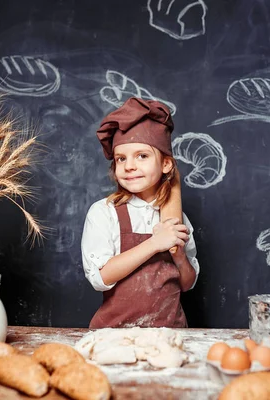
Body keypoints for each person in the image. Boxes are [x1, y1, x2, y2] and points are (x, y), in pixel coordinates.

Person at [81, 97, 200, 329]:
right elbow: (100, 278)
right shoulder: (104, 213)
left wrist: (179, 257)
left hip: (170, 333)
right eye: (121, 159)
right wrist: (155, 243)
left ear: (166, 164)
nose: (129, 166)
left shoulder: (176, 217)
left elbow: (187, 284)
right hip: (115, 334)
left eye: (142, 156)